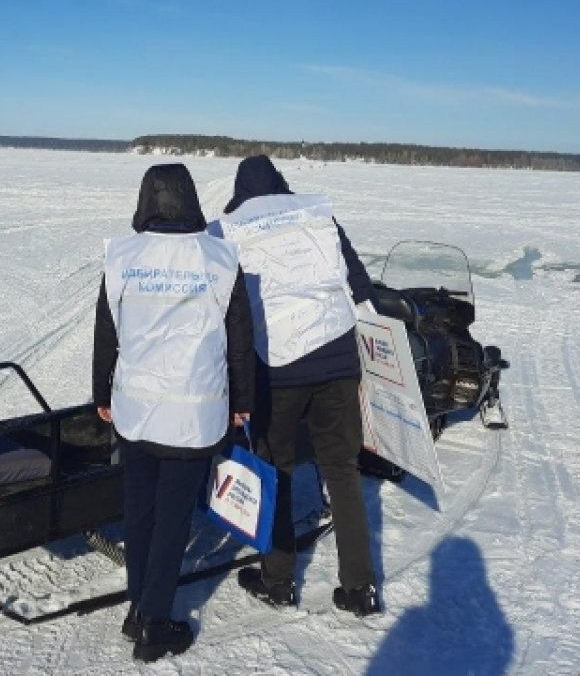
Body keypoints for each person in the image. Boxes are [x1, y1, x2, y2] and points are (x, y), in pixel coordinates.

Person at [93, 163, 255, 662]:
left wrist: (101, 392)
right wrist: (243, 402)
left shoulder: (122, 256)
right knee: (172, 519)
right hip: (192, 414)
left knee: (139, 513)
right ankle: (154, 622)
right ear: (190, 199)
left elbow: (106, 332)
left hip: (136, 412)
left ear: (146, 199)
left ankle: (138, 605)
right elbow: (240, 341)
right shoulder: (220, 258)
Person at [211, 154, 381, 617]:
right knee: (343, 470)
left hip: (277, 370)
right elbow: (359, 285)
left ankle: (279, 579)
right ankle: (359, 588)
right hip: (338, 360)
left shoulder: (229, 229)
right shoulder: (319, 218)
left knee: (277, 470)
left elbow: (221, 306)